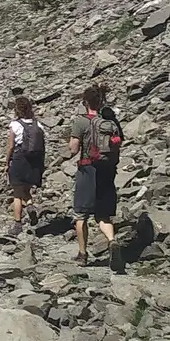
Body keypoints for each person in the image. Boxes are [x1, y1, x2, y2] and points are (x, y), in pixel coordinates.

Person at [67, 83, 124, 270]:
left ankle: (83, 254)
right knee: (103, 214)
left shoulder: (80, 121)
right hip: (107, 170)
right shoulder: (111, 122)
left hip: (88, 170)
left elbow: (73, 149)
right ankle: (111, 240)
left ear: (85, 102)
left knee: (81, 214)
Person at [5, 90, 46, 235]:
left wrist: (6, 161)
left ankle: (17, 224)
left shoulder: (14, 125)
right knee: (26, 189)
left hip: (19, 159)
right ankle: (30, 206)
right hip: (34, 161)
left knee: (17, 193)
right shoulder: (38, 125)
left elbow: (10, 146)